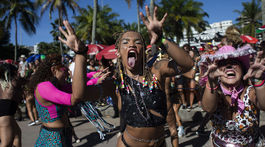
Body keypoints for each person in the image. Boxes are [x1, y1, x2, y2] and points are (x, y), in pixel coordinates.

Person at [114, 6, 193, 147]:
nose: (132, 44)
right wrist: (80, 54)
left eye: (138, 42)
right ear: (119, 52)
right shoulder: (116, 80)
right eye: (125, 43)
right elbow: (78, 95)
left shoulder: (157, 70)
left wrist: (161, 39)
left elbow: (187, 64)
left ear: (144, 50)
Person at [28, 20, 111, 147]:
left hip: (63, 135)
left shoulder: (57, 86)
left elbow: (77, 87)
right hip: (52, 139)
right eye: (64, 70)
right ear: (53, 70)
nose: (67, 73)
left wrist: (93, 77)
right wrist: (80, 54)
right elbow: (74, 98)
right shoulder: (44, 87)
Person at [199, 44, 265, 146]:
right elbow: (208, 108)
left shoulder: (251, 92)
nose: (229, 66)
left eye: (234, 62)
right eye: (223, 63)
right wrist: (211, 81)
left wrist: (259, 81)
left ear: (242, 70)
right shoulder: (215, 93)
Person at [0, 63, 23, 147]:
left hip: (6, 114)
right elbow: (20, 97)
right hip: (5, 115)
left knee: (17, 134)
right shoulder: (13, 82)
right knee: (6, 143)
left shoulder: (3, 82)